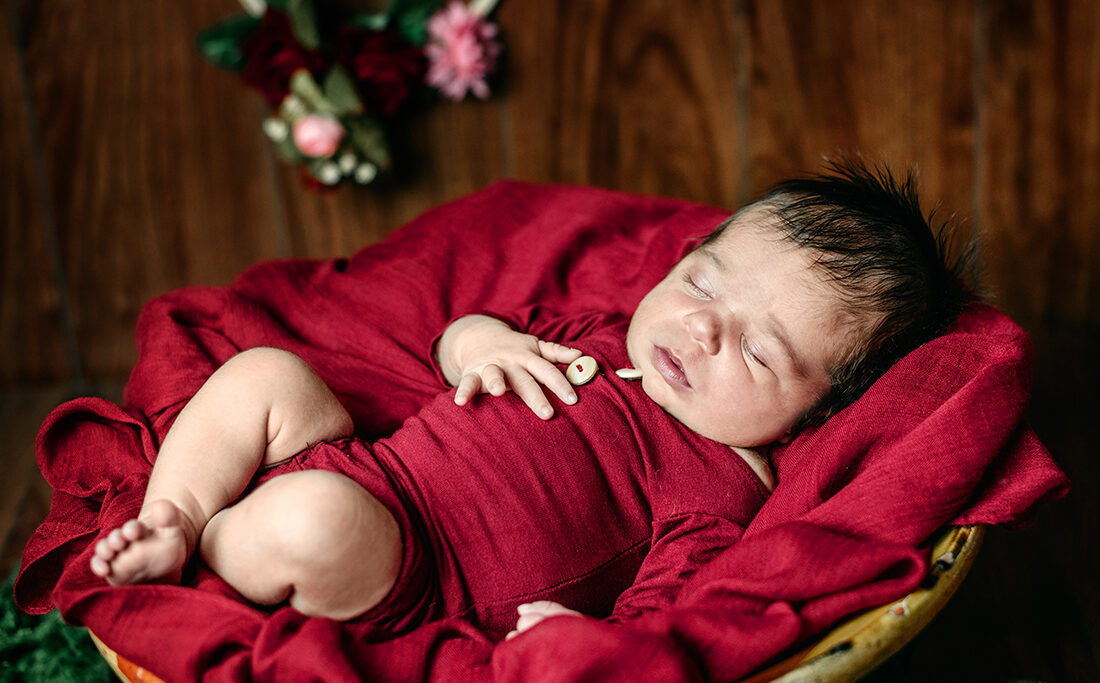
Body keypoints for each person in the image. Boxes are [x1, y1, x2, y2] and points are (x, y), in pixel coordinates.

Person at [89, 160, 973, 638]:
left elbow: (669, 608)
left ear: (817, 415)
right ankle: (176, 514)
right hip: (370, 461)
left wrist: (574, 637)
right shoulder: (593, 330)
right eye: (704, 284)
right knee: (266, 375)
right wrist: (487, 342)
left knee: (313, 519)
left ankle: (213, 547)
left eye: (756, 348)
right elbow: (457, 336)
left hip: (409, 571)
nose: (703, 330)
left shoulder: (720, 482)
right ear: (682, 257)